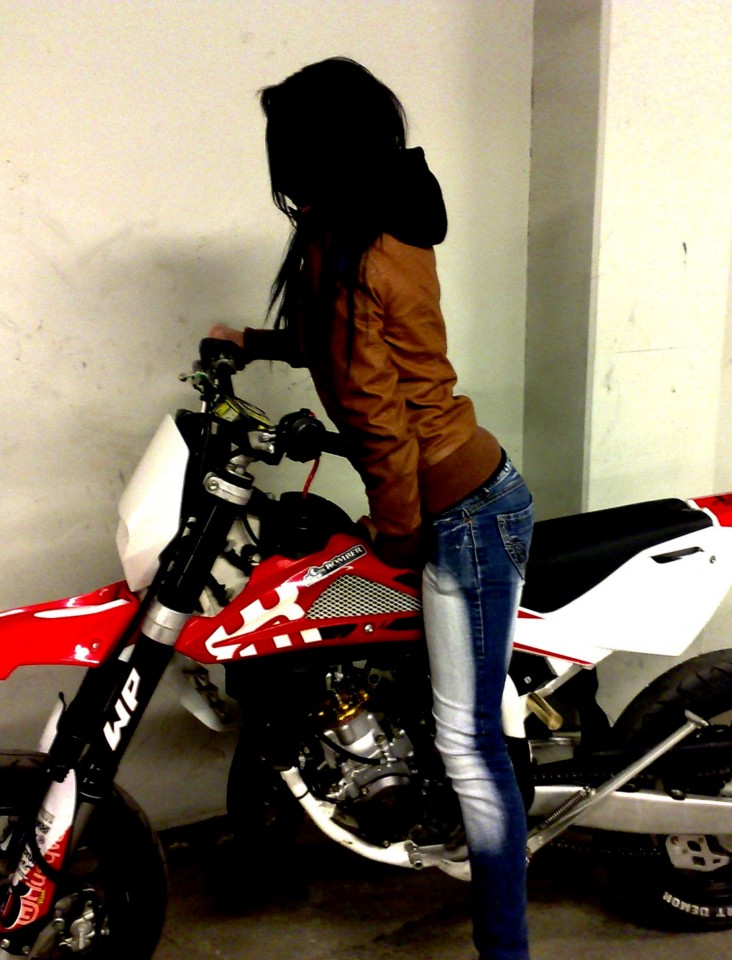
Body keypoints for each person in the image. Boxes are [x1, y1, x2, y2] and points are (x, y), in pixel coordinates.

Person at [211, 57, 533, 960]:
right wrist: (256, 342)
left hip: (457, 512)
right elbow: (362, 345)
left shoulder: (346, 246)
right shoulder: (374, 222)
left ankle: (507, 950)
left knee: (469, 746)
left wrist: (393, 536)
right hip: (466, 489)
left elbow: (384, 423)